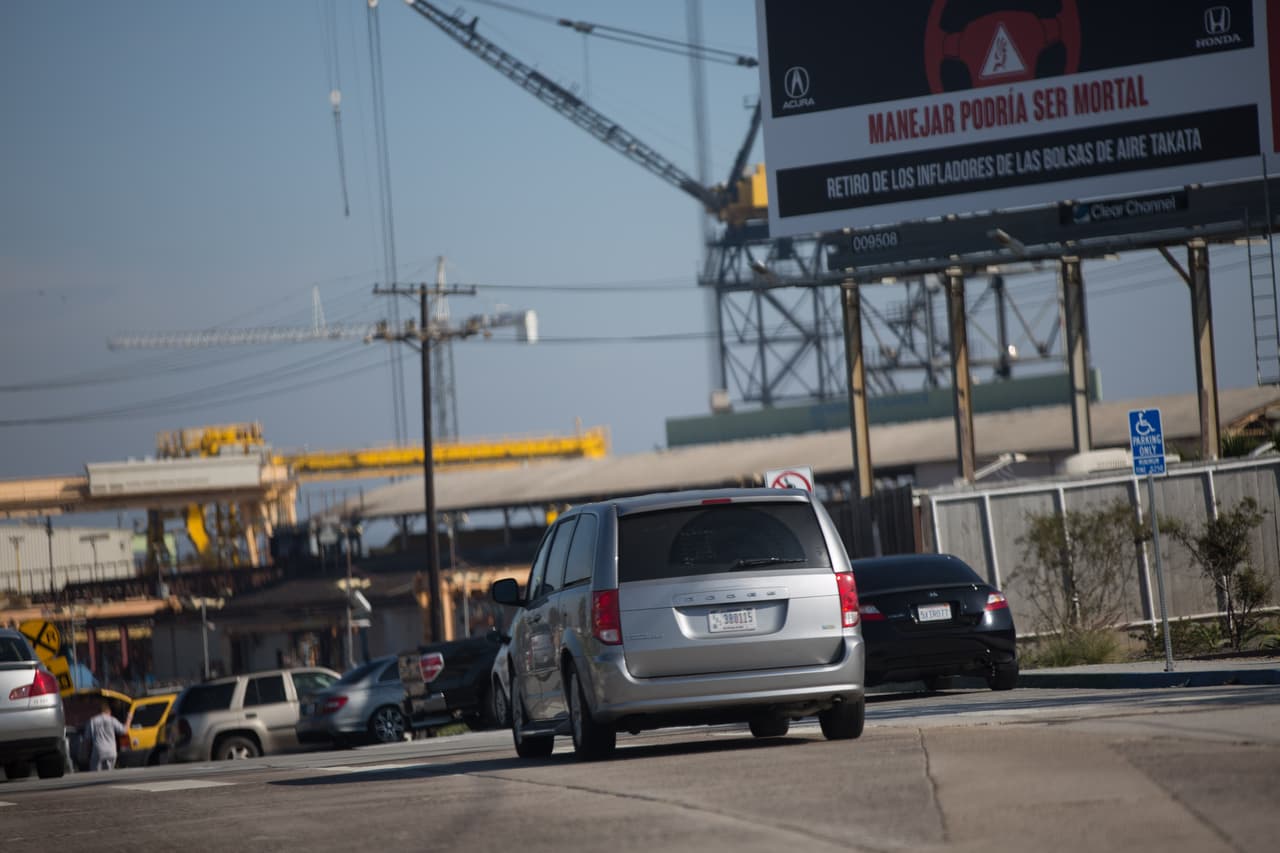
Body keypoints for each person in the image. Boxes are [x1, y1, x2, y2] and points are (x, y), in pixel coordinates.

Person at [86, 701, 127, 771]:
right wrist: (129, 718)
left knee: (95, 775)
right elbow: (124, 731)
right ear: (108, 711)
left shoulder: (92, 721)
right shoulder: (112, 719)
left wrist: (88, 753)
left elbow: (88, 740)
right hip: (112, 751)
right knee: (108, 774)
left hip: (98, 751)